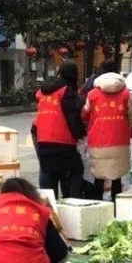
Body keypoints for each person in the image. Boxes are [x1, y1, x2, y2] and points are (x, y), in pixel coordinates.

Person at [32, 61, 87, 199]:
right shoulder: (66, 90)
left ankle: (48, 205)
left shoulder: (44, 92)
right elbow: (72, 116)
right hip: (63, 140)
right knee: (76, 170)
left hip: (42, 138)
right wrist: (81, 134)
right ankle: (73, 202)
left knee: (47, 171)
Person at [82, 69, 132, 200]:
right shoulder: (126, 94)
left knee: (99, 176)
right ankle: (116, 205)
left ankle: (99, 205)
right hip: (120, 140)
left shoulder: (92, 94)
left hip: (97, 140)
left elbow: (84, 114)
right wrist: (124, 125)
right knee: (117, 177)